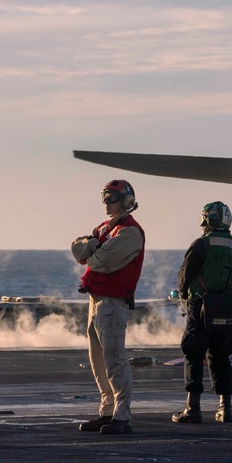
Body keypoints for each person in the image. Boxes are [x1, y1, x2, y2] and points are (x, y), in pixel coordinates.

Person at [70, 179, 145, 435]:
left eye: (111, 197)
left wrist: (91, 249)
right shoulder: (105, 228)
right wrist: (93, 248)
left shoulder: (130, 232)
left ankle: (122, 416)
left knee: (114, 358)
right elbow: (76, 248)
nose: (106, 202)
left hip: (112, 302)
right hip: (96, 300)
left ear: (125, 200)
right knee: (98, 360)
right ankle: (107, 411)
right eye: (104, 197)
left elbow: (102, 260)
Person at [172, 201, 232, 424]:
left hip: (200, 306)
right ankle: (225, 408)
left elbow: (185, 275)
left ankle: (193, 408)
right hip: (225, 307)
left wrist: (184, 293)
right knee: (221, 355)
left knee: (193, 353)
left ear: (209, 220)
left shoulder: (202, 243)